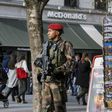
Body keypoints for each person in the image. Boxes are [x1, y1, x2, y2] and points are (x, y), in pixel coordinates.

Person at [35, 23, 74, 112]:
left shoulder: (65, 45)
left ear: (57, 32)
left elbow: (71, 62)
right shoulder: (46, 45)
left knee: (59, 107)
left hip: (58, 82)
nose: (48, 33)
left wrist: (58, 70)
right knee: (46, 107)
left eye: (50, 31)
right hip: (47, 82)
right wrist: (39, 63)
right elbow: (38, 59)